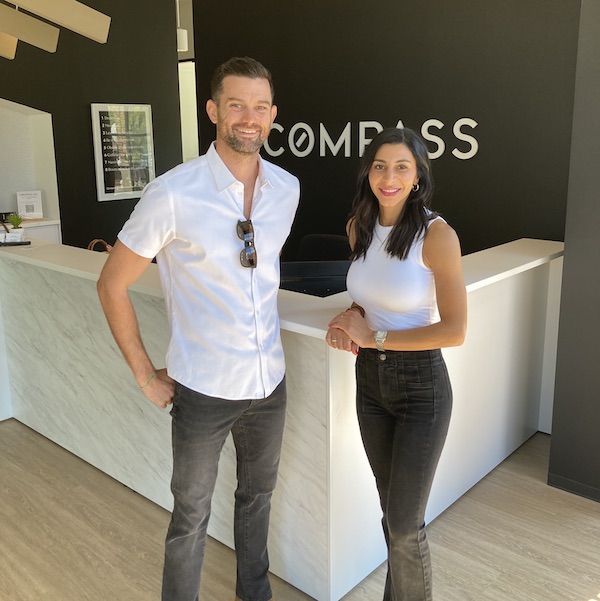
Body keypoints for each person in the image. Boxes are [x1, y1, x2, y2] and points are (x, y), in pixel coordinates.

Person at [97, 56, 300, 601]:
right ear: (213, 110)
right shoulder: (173, 193)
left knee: (257, 501)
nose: (249, 118)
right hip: (203, 389)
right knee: (190, 517)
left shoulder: (287, 189)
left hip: (269, 382)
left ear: (273, 114)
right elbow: (111, 284)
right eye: (236, 105)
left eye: (260, 107)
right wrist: (145, 375)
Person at [326, 127, 467, 601]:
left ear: (417, 177)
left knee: (406, 525)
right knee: (393, 516)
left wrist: (374, 336)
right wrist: (350, 319)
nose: (389, 178)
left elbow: (455, 330)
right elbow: (371, 297)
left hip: (422, 387)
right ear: (368, 173)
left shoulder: (437, 235)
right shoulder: (359, 227)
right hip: (370, 381)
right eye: (380, 166)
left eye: (401, 167)